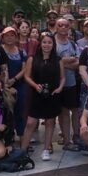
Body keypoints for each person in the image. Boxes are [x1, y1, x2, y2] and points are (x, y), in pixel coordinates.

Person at [20, 32, 63, 161]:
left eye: (49, 42)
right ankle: (22, 150)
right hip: (37, 94)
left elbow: (63, 77)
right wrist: (35, 85)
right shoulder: (32, 59)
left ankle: (46, 149)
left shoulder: (58, 60)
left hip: (52, 94)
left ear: (53, 44)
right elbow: (26, 76)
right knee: (30, 123)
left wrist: (60, 88)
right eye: (44, 42)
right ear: (40, 43)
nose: (47, 45)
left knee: (50, 122)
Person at [54, 17, 82, 152]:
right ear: (56, 27)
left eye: (66, 25)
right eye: (60, 25)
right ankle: (66, 140)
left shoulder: (72, 44)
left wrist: (61, 62)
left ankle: (77, 136)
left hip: (72, 82)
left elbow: (78, 63)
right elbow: (51, 62)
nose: (63, 28)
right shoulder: (52, 43)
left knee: (75, 110)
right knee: (63, 112)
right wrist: (65, 61)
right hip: (57, 83)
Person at [0, 27, 28, 140]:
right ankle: (7, 136)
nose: (9, 38)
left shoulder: (21, 52)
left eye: (12, 35)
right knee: (5, 111)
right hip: (2, 85)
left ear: (16, 37)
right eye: (7, 35)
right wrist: (5, 84)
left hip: (19, 84)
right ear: (2, 37)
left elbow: (25, 68)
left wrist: (14, 79)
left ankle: (22, 136)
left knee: (20, 110)